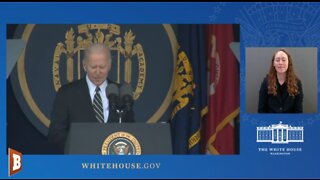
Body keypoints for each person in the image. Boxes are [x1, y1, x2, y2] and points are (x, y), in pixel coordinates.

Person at [48, 43, 134, 153]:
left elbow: (131, 130)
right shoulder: (67, 94)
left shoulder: (121, 92)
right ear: (84, 65)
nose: (97, 72)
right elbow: (55, 134)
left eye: (102, 67)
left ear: (109, 66)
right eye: (93, 67)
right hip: (79, 163)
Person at [258, 48, 303, 113]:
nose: (280, 63)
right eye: (277, 60)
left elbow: (298, 111)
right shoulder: (266, 82)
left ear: (289, 63)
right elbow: (261, 110)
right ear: (273, 63)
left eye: (284, 60)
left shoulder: (297, 83)